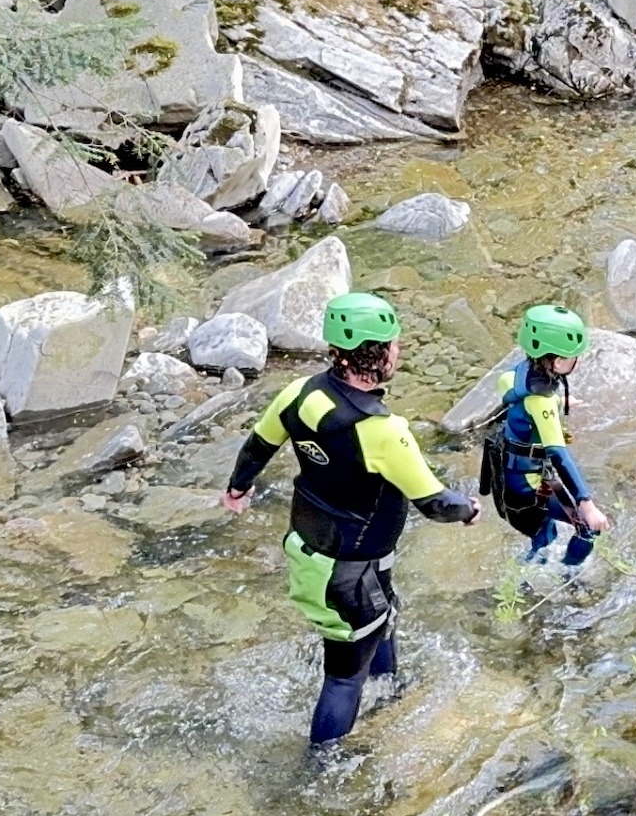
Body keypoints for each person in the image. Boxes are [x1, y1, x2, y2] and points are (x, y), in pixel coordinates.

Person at [220, 292, 481, 748]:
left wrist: (238, 489)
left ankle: (391, 693)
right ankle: (321, 767)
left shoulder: (299, 394)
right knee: (343, 677)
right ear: (378, 354)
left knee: (381, 621)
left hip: (318, 546)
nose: (399, 351)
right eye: (396, 344)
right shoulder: (383, 431)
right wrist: (469, 509)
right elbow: (434, 503)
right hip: (347, 570)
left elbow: (259, 446)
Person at [481, 303, 610, 567]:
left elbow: (517, 398)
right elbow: (559, 455)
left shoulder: (515, 375)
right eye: (574, 356)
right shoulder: (542, 402)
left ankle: (525, 577)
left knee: (544, 534)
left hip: (510, 477)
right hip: (527, 487)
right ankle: (569, 574)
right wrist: (586, 504)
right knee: (588, 527)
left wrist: (560, 402)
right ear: (559, 361)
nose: (578, 360)